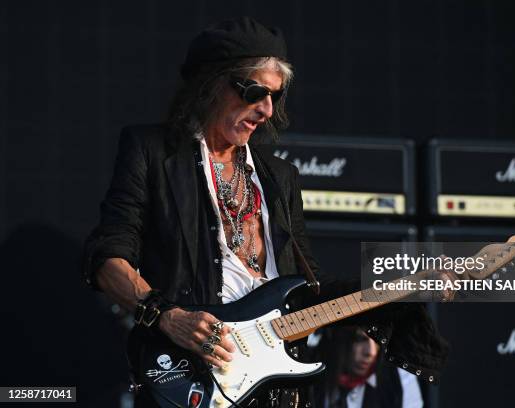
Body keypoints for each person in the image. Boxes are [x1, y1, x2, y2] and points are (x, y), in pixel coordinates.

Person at [82, 16, 449, 408]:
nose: (267, 110)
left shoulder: (279, 177)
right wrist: (168, 317)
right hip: (193, 373)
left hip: (276, 388)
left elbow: (311, 291)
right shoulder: (152, 153)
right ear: (211, 85)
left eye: (275, 95)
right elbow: (107, 257)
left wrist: (401, 287)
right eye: (254, 92)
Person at [313, 327, 423, 408]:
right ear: (338, 338)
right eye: (360, 339)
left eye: (378, 341)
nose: (371, 352)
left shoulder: (400, 376)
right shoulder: (311, 375)